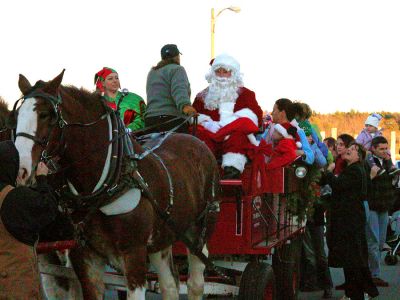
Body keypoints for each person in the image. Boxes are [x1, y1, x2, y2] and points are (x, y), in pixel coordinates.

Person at [0, 141, 59, 299]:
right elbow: (48, 209)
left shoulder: (15, 196)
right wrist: (42, 179)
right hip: (14, 285)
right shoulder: (16, 198)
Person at [322, 142, 379, 300]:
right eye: (349, 148)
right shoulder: (353, 169)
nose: (348, 150)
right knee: (354, 257)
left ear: (358, 156)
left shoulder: (355, 170)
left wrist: (328, 172)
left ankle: (356, 293)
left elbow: (339, 185)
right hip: (350, 218)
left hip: (351, 220)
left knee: (353, 257)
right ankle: (359, 291)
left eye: (353, 150)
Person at [192, 53, 263, 179]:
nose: (221, 75)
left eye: (225, 71)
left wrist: (233, 124)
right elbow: (194, 117)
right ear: (213, 74)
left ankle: (232, 168)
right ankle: (204, 168)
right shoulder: (201, 97)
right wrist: (206, 123)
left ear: (233, 74)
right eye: (218, 71)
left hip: (233, 137)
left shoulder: (246, 95)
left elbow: (255, 118)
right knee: (199, 136)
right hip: (210, 137)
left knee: (238, 137)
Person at [364, 136, 396, 287]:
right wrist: (372, 177)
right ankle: (373, 275)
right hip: (371, 206)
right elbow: (363, 185)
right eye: (381, 149)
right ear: (373, 149)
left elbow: (391, 183)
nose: (384, 151)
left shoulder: (389, 163)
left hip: (384, 206)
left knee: (381, 241)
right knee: (373, 241)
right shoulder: (367, 163)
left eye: (386, 148)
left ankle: (371, 272)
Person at [145, 44, 196, 133]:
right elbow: (179, 90)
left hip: (150, 120)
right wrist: (186, 107)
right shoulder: (177, 69)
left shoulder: (152, 72)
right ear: (177, 56)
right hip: (172, 120)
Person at [94, 67, 146, 131]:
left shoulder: (134, 99)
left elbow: (142, 119)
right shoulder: (97, 103)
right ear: (103, 83)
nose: (115, 81)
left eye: (116, 78)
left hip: (133, 138)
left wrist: (129, 129)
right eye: (110, 79)